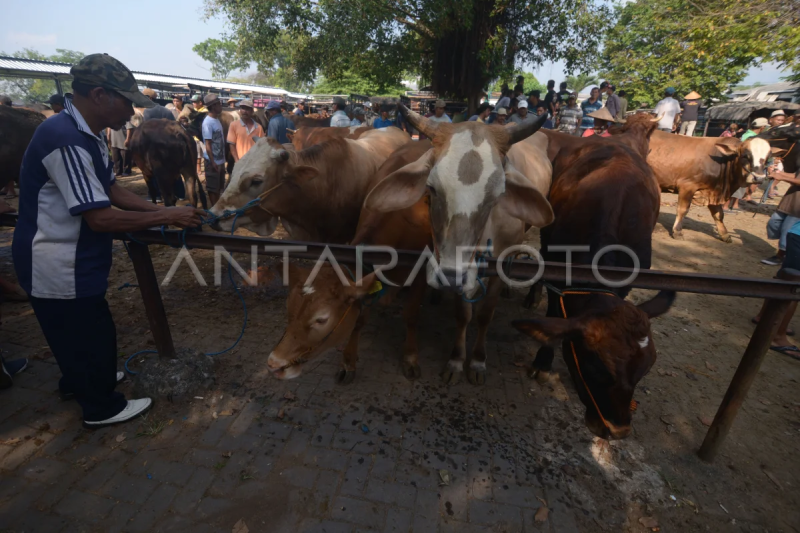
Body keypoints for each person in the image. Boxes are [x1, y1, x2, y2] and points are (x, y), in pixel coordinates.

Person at [11, 53, 203, 427]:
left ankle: (80, 382)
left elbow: (111, 189)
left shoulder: (86, 134)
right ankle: (101, 407)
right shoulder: (65, 139)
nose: (132, 111)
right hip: (56, 260)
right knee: (89, 330)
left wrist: (155, 210)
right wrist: (167, 214)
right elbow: (99, 218)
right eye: (127, 101)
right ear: (99, 95)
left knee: (74, 332)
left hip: (72, 256)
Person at [762, 163, 800, 266]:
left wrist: (782, 177)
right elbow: (796, 175)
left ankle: (781, 255)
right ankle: (790, 250)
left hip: (798, 208)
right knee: (773, 223)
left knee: (787, 230)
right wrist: (779, 173)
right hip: (790, 200)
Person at [202, 93, 226, 205]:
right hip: (212, 162)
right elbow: (208, 144)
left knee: (219, 188)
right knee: (212, 189)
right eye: (218, 104)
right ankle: (213, 213)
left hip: (219, 160)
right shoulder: (207, 123)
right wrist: (212, 162)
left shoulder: (216, 120)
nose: (220, 106)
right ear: (213, 106)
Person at [227, 99, 264, 163]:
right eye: (243, 108)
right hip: (240, 161)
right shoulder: (233, 125)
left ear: (252, 111)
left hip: (253, 162)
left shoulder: (258, 127)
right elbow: (232, 145)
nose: (245, 111)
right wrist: (236, 160)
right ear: (240, 110)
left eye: (247, 109)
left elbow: (261, 146)